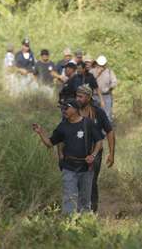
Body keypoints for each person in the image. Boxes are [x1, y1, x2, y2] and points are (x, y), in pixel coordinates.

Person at [32, 99, 104, 214]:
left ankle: (84, 225)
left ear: (75, 109)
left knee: (85, 201)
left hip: (86, 168)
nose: (63, 110)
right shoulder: (62, 126)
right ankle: (68, 225)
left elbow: (99, 141)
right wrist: (40, 132)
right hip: (69, 168)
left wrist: (93, 155)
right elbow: (50, 143)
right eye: (62, 108)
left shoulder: (88, 123)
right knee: (69, 199)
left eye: (66, 108)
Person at [76, 84, 115, 212]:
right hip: (76, 154)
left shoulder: (98, 112)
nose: (78, 99)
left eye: (81, 96)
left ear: (88, 97)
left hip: (95, 152)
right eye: (77, 96)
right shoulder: (73, 111)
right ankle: (78, 211)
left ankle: (92, 211)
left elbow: (109, 131)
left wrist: (111, 153)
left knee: (91, 182)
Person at [91, 55, 117, 122]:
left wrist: (110, 87)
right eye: (100, 64)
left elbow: (114, 81)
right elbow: (89, 81)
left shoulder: (109, 71)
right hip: (95, 96)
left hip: (106, 95)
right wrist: (98, 74)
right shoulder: (92, 71)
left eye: (103, 65)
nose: (101, 66)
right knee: (95, 115)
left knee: (107, 115)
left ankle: (106, 131)